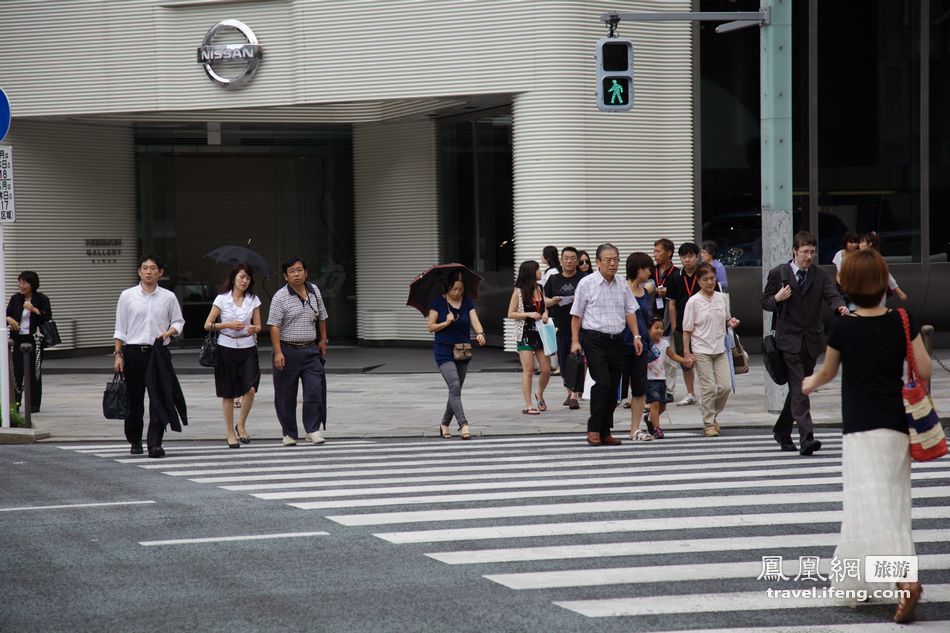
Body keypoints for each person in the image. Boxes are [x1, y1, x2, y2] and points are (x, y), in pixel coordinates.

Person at [802, 248, 928, 624]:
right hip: (896, 427)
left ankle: (904, 580)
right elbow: (922, 367)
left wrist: (809, 383)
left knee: (866, 505)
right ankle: (892, 578)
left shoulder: (843, 326)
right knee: (893, 503)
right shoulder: (903, 319)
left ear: (849, 285)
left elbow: (827, 373)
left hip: (859, 428)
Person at [762, 231, 849, 455]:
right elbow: (765, 302)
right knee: (801, 389)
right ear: (795, 251)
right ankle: (806, 437)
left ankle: (781, 430)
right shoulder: (778, 273)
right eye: (804, 252)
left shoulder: (819, 275)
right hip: (788, 340)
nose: (809, 256)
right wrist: (777, 299)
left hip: (811, 341)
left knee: (798, 390)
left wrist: (840, 307)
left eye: (812, 252)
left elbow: (832, 295)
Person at [570, 243, 643, 446]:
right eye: (608, 260)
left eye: (616, 259)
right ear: (598, 262)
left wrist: (636, 336)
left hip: (617, 340)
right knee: (602, 383)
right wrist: (575, 341)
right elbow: (576, 315)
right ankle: (593, 429)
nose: (612, 263)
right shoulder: (586, 283)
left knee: (613, 389)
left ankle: (604, 430)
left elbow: (630, 312)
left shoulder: (622, 284)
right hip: (593, 340)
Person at [113, 255, 186, 458]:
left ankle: (155, 443)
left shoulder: (168, 297)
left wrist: (169, 332)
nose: (149, 271)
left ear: (160, 272)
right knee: (134, 398)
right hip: (134, 353)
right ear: (139, 271)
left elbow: (179, 322)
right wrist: (118, 354)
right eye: (145, 268)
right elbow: (120, 328)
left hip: (158, 353)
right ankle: (135, 440)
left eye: (153, 268)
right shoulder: (127, 296)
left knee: (159, 399)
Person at [268, 256, 330, 447]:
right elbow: (274, 326)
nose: (297, 274)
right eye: (292, 271)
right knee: (286, 395)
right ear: (286, 276)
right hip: (287, 350)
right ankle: (289, 433)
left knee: (314, 391)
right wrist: (278, 352)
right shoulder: (280, 297)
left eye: (300, 270)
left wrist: (323, 340)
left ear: (306, 272)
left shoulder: (314, 291)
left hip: (311, 349)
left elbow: (322, 317)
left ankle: (312, 430)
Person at [203, 263, 262, 448]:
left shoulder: (253, 299)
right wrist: (227, 325)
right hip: (226, 346)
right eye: (241, 277)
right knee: (227, 393)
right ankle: (230, 432)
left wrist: (254, 328)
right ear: (234, 278)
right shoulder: (222, 299)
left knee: (251, 388)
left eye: (248, 278)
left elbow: (259, 326)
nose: (245, 281)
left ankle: (241, 424)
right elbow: (208, 324)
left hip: (248, 346)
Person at [682, 263, 741, 437]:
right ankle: (708, 423)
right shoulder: (693, 301)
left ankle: (711, 413)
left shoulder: (722, 298)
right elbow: (687, 330)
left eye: (712, 279)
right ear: (698, 281)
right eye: (705, 279)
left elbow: (728, 319)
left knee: (725, 387)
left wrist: (732, 322)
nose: (709, 282)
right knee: (709, 389)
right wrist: (687, 352)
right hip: (701, 349)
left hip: (720, 348)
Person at [428, 269, 487, 439]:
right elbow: (430, 327)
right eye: (454, 289)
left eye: (460, 289)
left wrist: (480, 333)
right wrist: (445, 322)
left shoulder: (467, 302)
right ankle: (463, 424)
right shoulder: (437, 303)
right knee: (454, 386)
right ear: (448, 287)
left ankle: (444, 424)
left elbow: (475, 322)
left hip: (462, 350)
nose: (457, 292)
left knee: (455, 391)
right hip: (443, 351)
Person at [508, 260, 552, 415]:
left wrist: (545, 315)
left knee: (546, 370)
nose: (541, 271)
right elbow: (511, 313)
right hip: (525, 334)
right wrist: (528, 314)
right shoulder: (518, 292)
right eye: (538, 269)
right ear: (531, 272)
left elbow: (544, 309)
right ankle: (528, 404)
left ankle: (539, 393)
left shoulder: (540, 288)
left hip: (541, 334)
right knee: (529, 370)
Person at [6, 271, 52, 413]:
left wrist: (34, 309)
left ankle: (34, 404)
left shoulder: (41, 299)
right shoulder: (15, 299)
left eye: (24, 282)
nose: (21, 285)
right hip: (18, 339)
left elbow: (47, 316)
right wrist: (9, 319)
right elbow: (6, 314)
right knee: (17, 372)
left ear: (32, 284)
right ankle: (16, 403)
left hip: (35, 340)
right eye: (20, 282)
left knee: (34, 373)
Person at [543, 247, 583, 409]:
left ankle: (574, 395)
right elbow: (543, 300)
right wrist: (552, 301)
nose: (569, 261)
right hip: (560, 325)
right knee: (563, 362)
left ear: (577, 260)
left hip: (581, 325)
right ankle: (568, 392)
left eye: (572, 258)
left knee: (578, 359)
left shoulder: (584, 278)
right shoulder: (553, 279)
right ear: (561, 260)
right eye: (566, 258)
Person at [619, 253, 653, 439]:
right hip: (621, 344)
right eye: (647, 268)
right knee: (617, 391)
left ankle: (635, 429)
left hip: (641, 348)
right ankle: (604, 426)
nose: (650, 272)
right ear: (638, 269)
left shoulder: (645, 293)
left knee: (639, 389)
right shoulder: (621, 289)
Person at [642, 317, 691, 439]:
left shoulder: (665, 343)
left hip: (662, 379)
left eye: (661, 328)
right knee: (655, 405)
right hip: (649, 379)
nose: (659, 330)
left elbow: (673, 355)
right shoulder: (645, 343)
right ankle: (657, 429)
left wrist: (684, 360)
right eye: (656, 328)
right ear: (649, 329)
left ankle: (649, 418)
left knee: (663, 406)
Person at [671, 242, 703, 406]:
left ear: (697, 256)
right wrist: (676, 325)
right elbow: (672, 304)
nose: (687, 260)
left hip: (702, 325)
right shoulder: (675, 276)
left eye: (691, 256)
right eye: (684, 256)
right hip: (682, 326)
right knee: (686, 361)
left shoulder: (705, 273)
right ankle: (690, 393)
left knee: (703, 358)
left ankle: (707, 391)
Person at [652, 239, 680, 402]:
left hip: (668, 320)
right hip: (652, 317)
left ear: (669, 253)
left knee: (669, 357)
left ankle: (670, 390)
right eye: (654, 251)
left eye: (658, 251)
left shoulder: (677, 273)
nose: (655, 254)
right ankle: (654, 389)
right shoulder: (650, 271)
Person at [859, 231, 908, 303]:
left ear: (870, 244)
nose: (859, 244)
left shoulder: (876, 259)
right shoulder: (862, 258)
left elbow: (887, 275)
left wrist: (898, 291)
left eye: (862, 242)